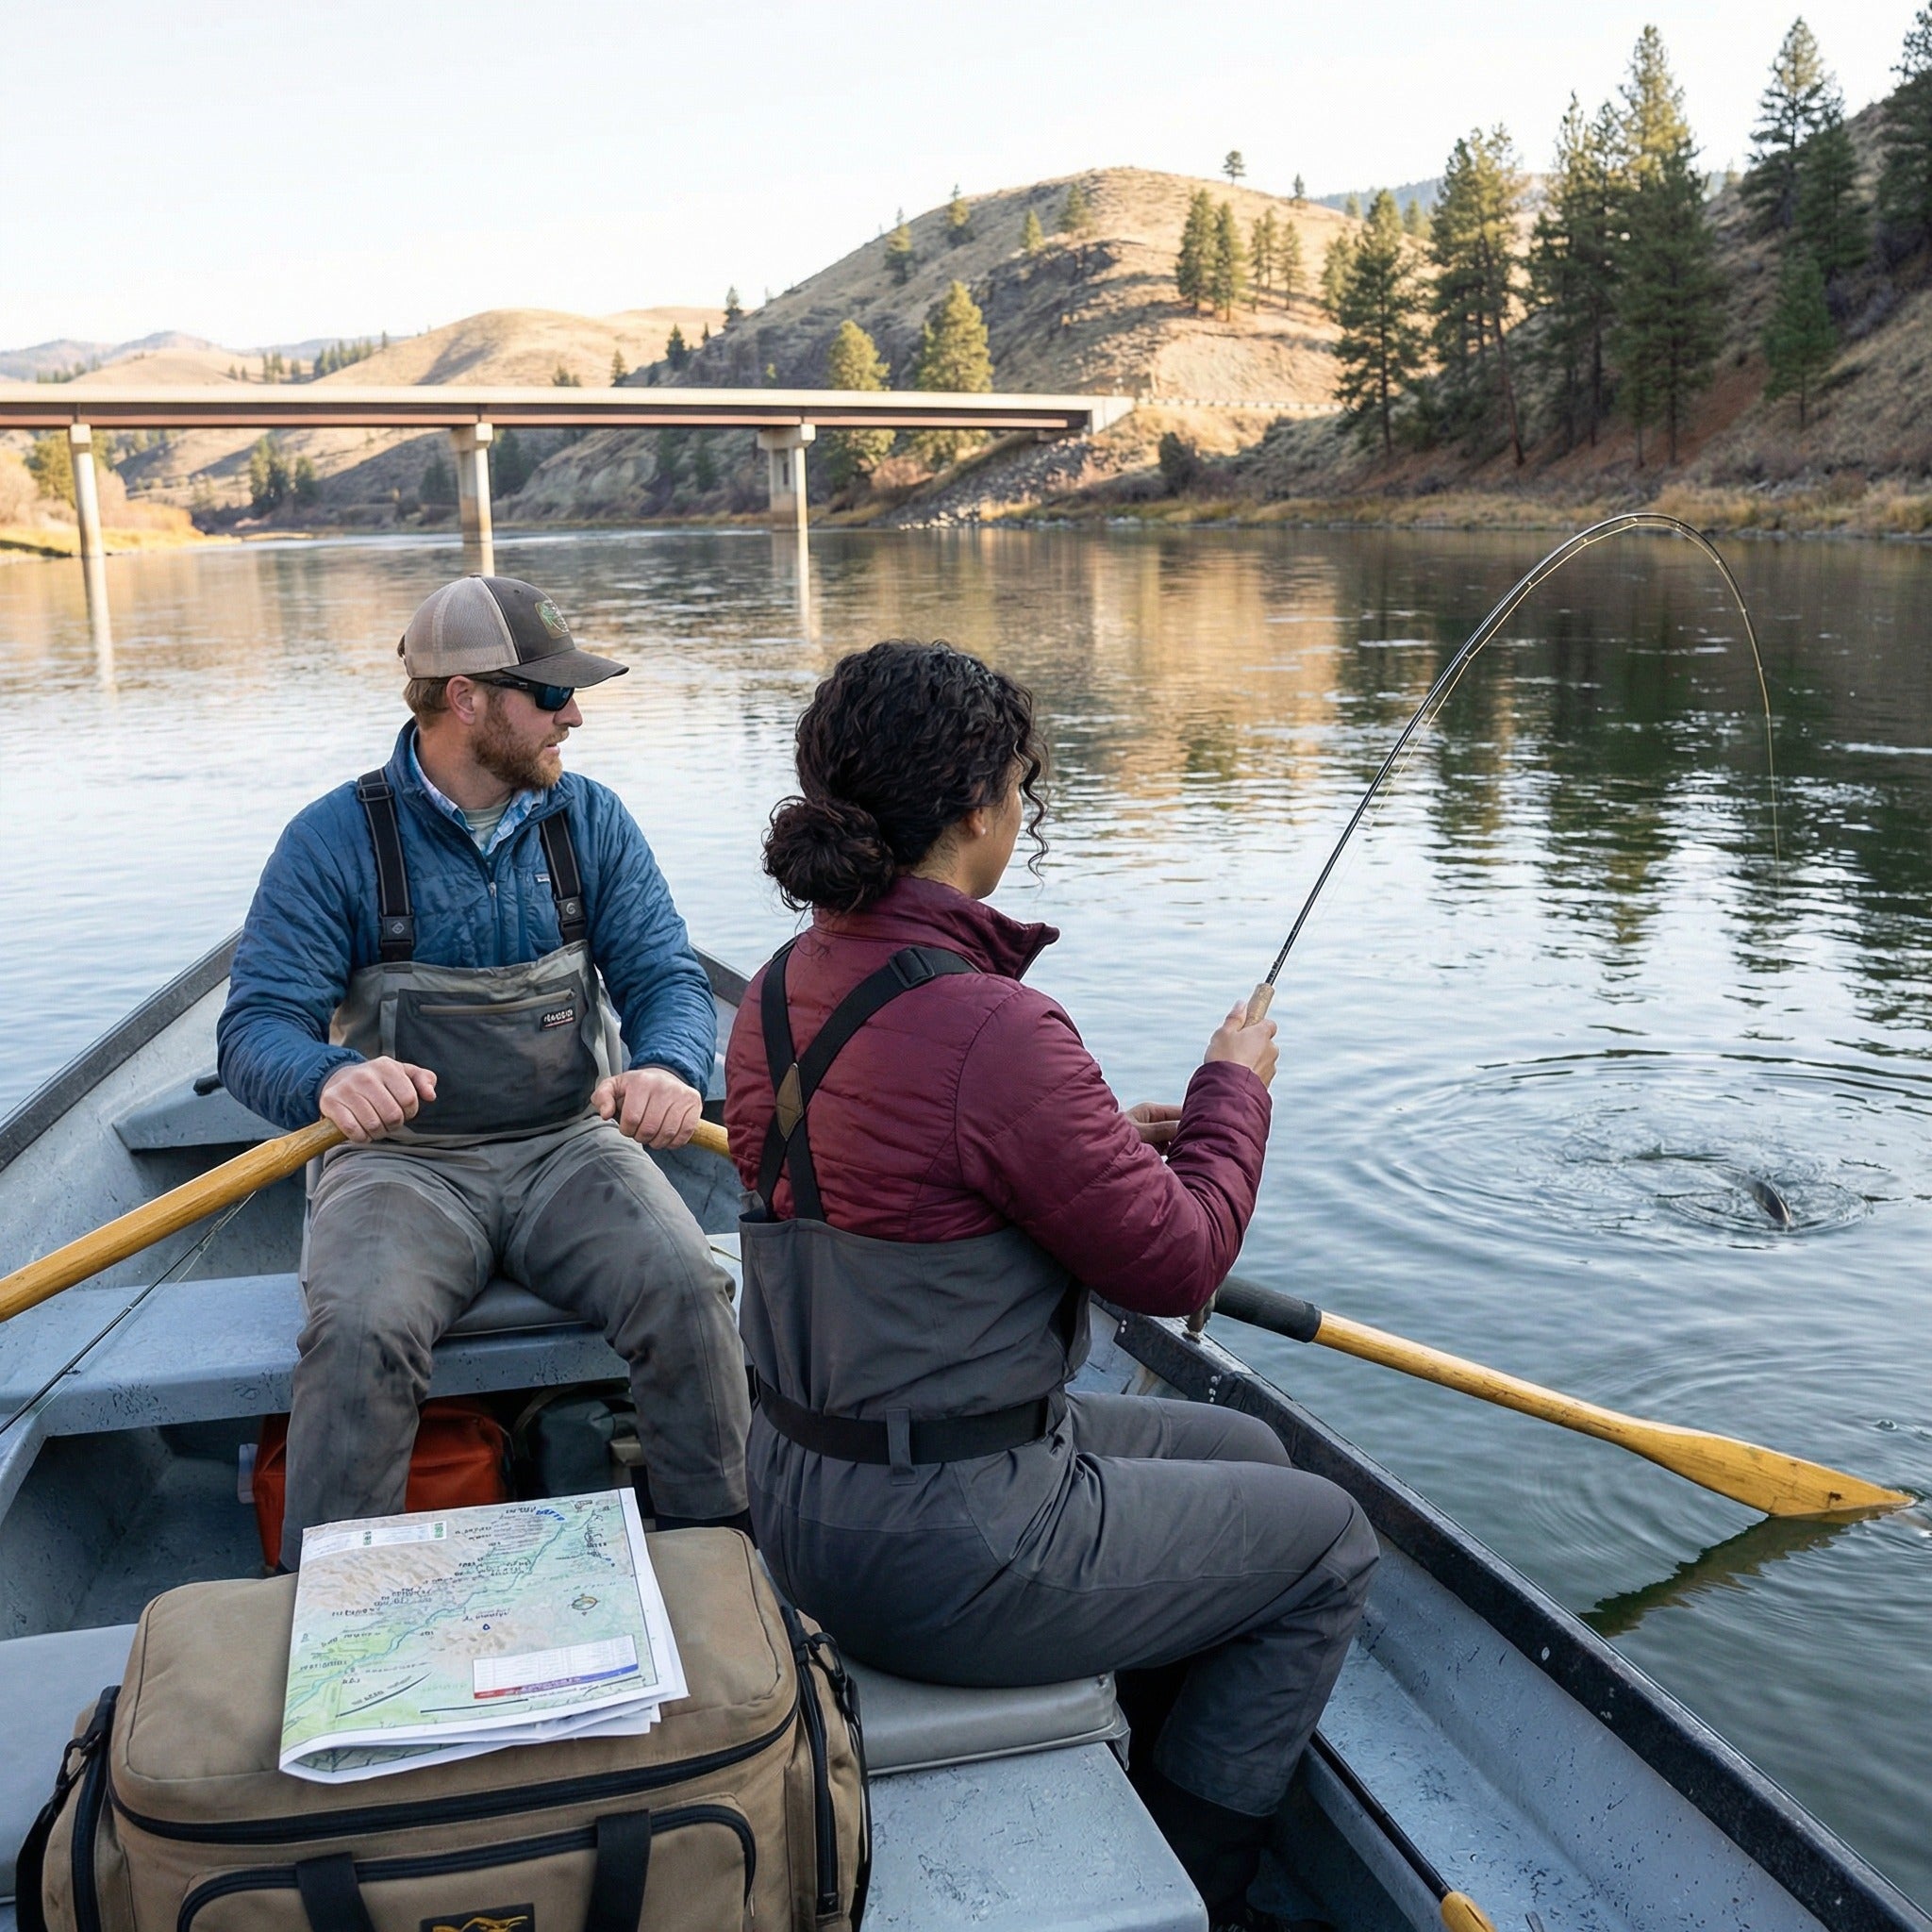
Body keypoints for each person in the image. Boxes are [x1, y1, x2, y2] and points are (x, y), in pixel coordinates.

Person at [724, 640, 1378, 1929]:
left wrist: (1090, 1146)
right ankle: (1201, 1881)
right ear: (977, 806)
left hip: (799, 1499)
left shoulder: (777, 995)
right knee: (1330, 1545)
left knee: (1245, 1442)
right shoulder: (995, 1026)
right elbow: (1182, 1265)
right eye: (1025, 782)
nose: (1025, 808)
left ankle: (1133, 1750)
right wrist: (1230, 1092)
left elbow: (903, 1179)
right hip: (946, 1542)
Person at [219, 574, 751, 1564]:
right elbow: (255, 1028)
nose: (575, 714)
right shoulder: (331, 840)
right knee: (360, 1330)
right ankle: (330, 1597)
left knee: (687, 1284)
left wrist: (672, 1064)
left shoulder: (588, 820)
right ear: (465, 698)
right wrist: (329, 1076)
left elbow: (667, 979)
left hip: (569, 1148)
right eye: (550, 695)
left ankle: (718, 1556)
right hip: (400, 1166)